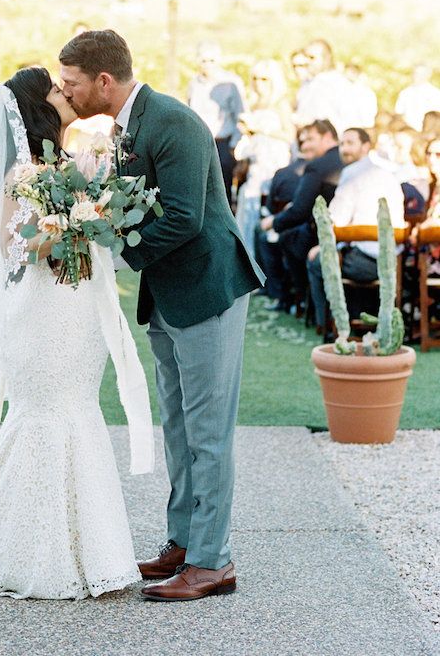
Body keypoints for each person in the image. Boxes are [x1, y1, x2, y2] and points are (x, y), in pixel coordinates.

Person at [0, 65, 153, 600]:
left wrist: (97, 217)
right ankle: (25, 549)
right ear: (35, 108)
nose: (65, 93)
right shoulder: (24, 172)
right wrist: (63, 228)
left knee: (80, 409)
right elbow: (12, 250)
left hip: (79, 314)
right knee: (46, 411)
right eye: (54, 89)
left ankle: (91, 548)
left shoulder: (74, 162)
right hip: (41, 315)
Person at [59, 29, 264, 603]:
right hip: (169, 294)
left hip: (207, 290)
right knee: (178, 425)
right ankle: (182, 541)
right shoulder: (129, 126)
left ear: (104, 81)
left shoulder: (171, 121)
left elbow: (184, 218)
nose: (67, 93)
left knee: (208, 431)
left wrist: (112, 253)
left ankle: (212, 561)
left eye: (73, 84)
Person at [306, 128, 405, 330]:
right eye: (342, 144)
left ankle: (325, 324)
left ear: (366, 146)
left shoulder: (352, 174)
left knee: (316, 261)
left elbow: (333, 222)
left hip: (365, 261)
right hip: (393, 260)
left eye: (350, 143)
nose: (344, 149)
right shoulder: (389, 173)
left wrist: (324, 246)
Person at [260, 119, 342, 301]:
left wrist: (273, 222)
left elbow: (299, 211)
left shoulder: (316, 167)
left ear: (327, 136)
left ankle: (303, 298)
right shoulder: (349, 160)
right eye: (302, 142)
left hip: (322, 235)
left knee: (286, 238)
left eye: (310, 139)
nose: (304, 146)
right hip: (345, 235)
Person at [234, 59, 293, 252]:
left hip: (274, 159)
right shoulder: (253, 102)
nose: (259, 83)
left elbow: (290, 135)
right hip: (255, 159)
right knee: (248, 203)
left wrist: (261, 129)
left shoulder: (281, 103)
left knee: (267, 206)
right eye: (255, 78)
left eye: (265, 79)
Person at [187, 42, 244, 205]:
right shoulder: (194, 84)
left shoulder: (231, 83)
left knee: (223, 193)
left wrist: (234, 146)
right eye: (204, 61)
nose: (208, 65)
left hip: (223, 144)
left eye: (212, 61)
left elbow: (240, 114)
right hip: (200, 143)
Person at [395, 65, 440, 132]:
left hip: (428, 132)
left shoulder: (435, 93)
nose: (416, 76)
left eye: (421, 74)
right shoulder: (405, 93)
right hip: (408, 133)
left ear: (428, 75)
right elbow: (398, 113)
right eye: (415, 73)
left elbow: (437, 116)